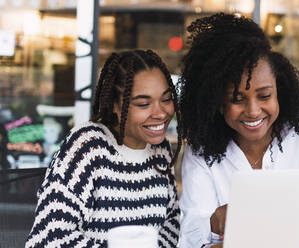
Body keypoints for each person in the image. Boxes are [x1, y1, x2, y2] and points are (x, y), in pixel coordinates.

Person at [178, 13, 299, 248]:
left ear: (279, 91)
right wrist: (214, 223)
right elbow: (189, 238)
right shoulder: (202, 150)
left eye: (264, 96)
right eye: (237, 99)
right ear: (219, 103)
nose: (253, 111)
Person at [26, 49, 182, 248]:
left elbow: (170, 225)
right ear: (116, 106)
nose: (160, 113)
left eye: (166, 99)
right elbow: (50, 236)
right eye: (143, 104)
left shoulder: (160, 149)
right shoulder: (87, 146)